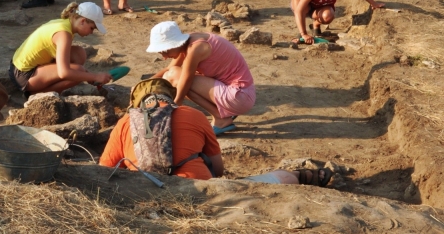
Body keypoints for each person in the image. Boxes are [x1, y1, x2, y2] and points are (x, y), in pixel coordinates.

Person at [99, 79, 333, 186]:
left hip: (145, 192)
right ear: (169, 98)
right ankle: (300, 176)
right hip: (199, 189)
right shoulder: (194, 115)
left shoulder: (125, 123)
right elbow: (218, 169)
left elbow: (104, 171)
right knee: (282, 177)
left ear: (138, 104)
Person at [147, 21, 255, 135]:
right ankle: (221, 116)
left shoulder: (196, 48)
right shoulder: (187, 42)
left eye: (165, 51)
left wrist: (174, 106)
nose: (164, 57)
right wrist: (144, 85)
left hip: (239, 96)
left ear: (174, 44)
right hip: (239, 93)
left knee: (174, 77)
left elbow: (185, 79)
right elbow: (168, 69)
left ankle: (221, 118)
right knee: (171, 75)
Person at [9, 1, 112, 96]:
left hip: (19, 68)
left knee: (79, 54)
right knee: (78, 70)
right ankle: (35, 94)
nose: (92, 32)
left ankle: (46, 86)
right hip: (23, 76)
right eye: (92, 28)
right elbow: (64, 73)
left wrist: (87, 75)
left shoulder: (65, 23)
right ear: (82, 21)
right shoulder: (64, 34)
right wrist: (95, 76)